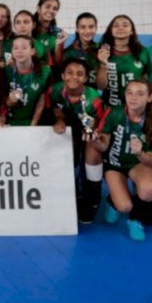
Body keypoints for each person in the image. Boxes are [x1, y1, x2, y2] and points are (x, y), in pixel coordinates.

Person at [91, 79, 152, 242]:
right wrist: (93, 139)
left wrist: (139, 153)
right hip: (114, 164)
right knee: (124, 206)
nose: (134, 98)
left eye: (140, 94)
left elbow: (150, 162)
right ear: (125, 95)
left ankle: (135, 220)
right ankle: (113, 200)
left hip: (138, 164)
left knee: (147, 191)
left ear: (150, 97)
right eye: (130, 93)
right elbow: (103, 146)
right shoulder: (113, 112)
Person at [46, 57, 104, 223]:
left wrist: (92, 132)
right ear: (63, 76)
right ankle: (68, 193)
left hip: (89, 132)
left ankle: (92, 198)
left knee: (92, 150)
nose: (74, 77)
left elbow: (101, 128)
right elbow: (55, 107)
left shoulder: (94, 100)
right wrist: (59, 119)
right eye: (69, 73)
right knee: (61, 144)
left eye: (79, 74)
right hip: (68, 130)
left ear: (86, 79)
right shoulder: (54, 90)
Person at [99, 14, 152, 108]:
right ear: (110, 31)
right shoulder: (103, 52)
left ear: (132, 31)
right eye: (116, 25)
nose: (120, 28)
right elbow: (100, 86)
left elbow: (145, 80)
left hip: (134, 107)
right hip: (110, 107)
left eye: (125, 25)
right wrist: (103, 64)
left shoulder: (142, 52)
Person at [4, 35, 51, 127]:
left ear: (32, 51)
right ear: (12, 52)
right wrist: (10, 101)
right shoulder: (6, 71)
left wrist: (33, 124)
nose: (19, 51)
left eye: (24, 47)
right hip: (8, 124)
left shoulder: (45, 72)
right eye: (15, 48)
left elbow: (42, 100)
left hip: (33, 123)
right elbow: (2, 102)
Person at [62, 12, 106, 89]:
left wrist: (103, 64)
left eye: (91, 27)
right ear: (77, 29)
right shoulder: (67, 53)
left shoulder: (101, 51)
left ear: (96, 28)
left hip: (92, 97)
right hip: (73, 97)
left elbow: (101, 87)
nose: (87, 31)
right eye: (83, 27)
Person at [33, 0, 69, 66]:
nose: (51, 11)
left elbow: (57, 62)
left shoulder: (57, 34)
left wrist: (58, 44)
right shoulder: (29, 30)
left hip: (50, 73)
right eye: (47, 6)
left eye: (55, 8)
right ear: (38, 8)